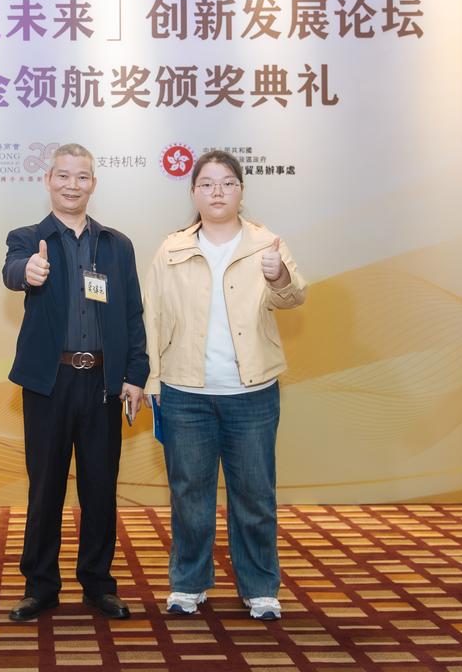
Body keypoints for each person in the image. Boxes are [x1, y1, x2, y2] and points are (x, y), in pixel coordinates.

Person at [142, 149, 306, 621]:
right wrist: (151, 379)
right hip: (184, 392)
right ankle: (188, 583)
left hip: (251, 393)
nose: (217, 191)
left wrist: (278, 274)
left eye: (228, 182)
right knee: (189, 495)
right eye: (207, 183)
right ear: (193, 192)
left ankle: (260, 587)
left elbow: (294, 296)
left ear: (241, 191)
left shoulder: (266, 244)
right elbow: (151, 316)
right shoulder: (171, 248)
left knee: (254, 496)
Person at [2, 143, 149, 621]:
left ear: (93, 184)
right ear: (48, 180)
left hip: (103, 383)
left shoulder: (116, 245)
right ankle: (40, 586)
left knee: (100, 488)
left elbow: (132, 313)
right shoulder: (29, 239)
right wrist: (29, 271)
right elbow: (12, 271)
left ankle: (98, 584)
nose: (72, 185)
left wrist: (135, 375)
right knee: (45, 487)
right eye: (63, 176)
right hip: (49, 382)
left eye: (81, 177)